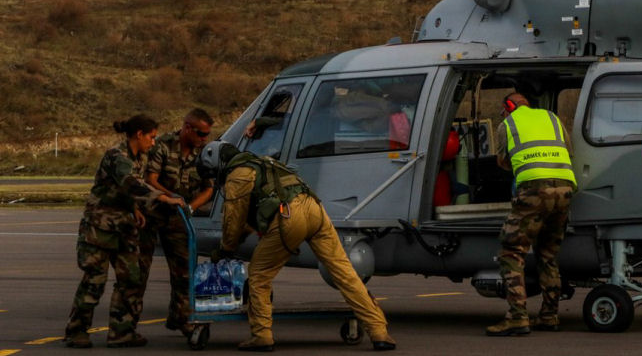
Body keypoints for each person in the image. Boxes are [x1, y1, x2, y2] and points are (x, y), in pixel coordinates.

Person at [198, 141, 397, 352]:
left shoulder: (237, 176)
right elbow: (256, 211)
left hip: (290, 216)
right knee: (344, 272)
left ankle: (261, 335)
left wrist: (225, 250)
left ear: (218, 164)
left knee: (258, 274)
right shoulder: (264, 163)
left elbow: (233, 221)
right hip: (315, 210)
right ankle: (379, 331)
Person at [64, 115, 186, 349]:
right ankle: (76, 331)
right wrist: (161, 197)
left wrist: (135, 209)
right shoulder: (117, 156)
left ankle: (121, 332)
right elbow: (128, 183)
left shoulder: (140, 157)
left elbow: (128, 191)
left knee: (131, 279)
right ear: (138, 134)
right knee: (94, 282)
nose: (153, 143)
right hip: (100, 229)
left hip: (125, 227)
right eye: (151, 137)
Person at [485, 93, 576, 336]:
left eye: (503, 111)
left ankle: (517, 317)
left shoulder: (508, 124)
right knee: (548, 253)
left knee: (511, 251)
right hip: (565, 188)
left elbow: (503, 161)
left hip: (535, 190)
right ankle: (549, 315)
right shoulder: (552, 118)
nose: (502, 116)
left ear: (509, 107)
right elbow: (569, 151)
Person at [138, 108, 215, 336]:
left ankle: (182, 319)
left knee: (184, 271)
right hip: (152, 214)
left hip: (179, 217)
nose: (204, 139)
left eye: (207, 135)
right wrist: (171, 197)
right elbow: (149, 179)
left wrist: (190, 206)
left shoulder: (204, 154)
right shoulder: (162, 145)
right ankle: (125, 326)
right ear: (187, 128)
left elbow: (209, 188)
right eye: (201, 134)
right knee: (138, 272)